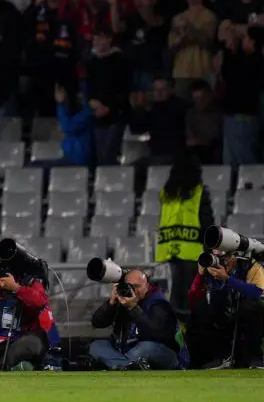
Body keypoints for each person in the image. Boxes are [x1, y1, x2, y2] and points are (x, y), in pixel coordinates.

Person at [0, 255, 55, 371]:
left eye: (2, 268)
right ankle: (5, 366)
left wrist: (16, 288)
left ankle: (2, 365)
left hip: (19, 339)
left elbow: (40, 303)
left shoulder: (26, 282)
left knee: (31, 344)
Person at [89, 270, 183, 371]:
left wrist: (133, 308)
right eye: (130, 286)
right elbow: (97, 323)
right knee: (96, 345)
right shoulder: (123, 299)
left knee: (145, 348)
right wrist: (111, 303)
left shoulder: (159, 302)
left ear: (147, 286)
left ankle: (117, 364)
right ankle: (127, 365)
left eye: (137, 286)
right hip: (128, 352)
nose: (134, 291)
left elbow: (156, 333)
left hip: (162, 352)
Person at [156, 153, 214, 314]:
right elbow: (206, 222)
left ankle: (176, 333)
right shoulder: (198, 192)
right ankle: (191, 334)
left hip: (172, 250)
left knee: (177, 294)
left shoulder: (166, 193)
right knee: (193, 298)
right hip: (192, 250)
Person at [187, 250, 264, 369]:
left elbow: (257, 292)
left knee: (250, 306)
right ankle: (218, 357)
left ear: (236, 255)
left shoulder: (249, 265)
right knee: (200, 309)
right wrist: (200, 275)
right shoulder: (211, 267)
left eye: (226, 257)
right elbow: (193, 297)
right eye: (217, 257)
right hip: (227, 320)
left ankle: (256, 358)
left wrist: (227, 279)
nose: (223, 261)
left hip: (251, 320)